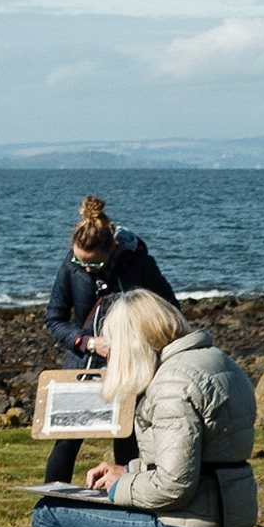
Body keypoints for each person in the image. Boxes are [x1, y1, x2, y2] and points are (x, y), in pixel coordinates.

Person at [29, 289, 258, 527]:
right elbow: (203, 461)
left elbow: (174, 485)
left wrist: (120, 488)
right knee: (99, 514)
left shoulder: (171, 384)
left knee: (50, 512)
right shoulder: (217, 361)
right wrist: (127, 471)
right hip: (230, 517)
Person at [42, 195, 178, 484]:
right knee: (66, 441)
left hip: (133, 367)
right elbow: (54, 319)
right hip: (83, 364)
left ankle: (129, 506)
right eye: (79, 260)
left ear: (112, 249)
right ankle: (49, 511)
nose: (85, 268)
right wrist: (87, 342)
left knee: (128, 441)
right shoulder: (71, 266)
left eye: (93, 264)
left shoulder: (140, 264)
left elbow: (170, 311)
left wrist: (137, 343)